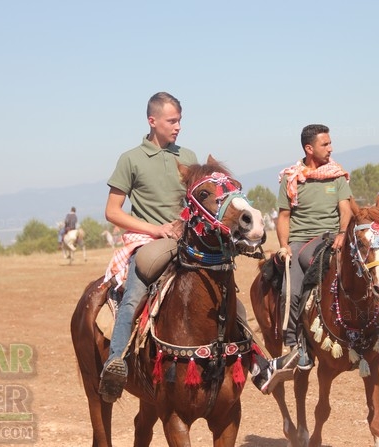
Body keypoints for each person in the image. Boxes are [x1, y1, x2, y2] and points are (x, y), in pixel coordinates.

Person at [98, 92, 295, 401]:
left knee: (227, 295)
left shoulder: (187, 155)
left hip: (190, 239)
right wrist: (156, 228)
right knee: (135, 290)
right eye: (171, 121)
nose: (177, 126)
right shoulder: (130, 159)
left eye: (180, 120)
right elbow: (112, 212)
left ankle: (260, 366)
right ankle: (115, 362)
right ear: (152, 121)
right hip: (150, 240)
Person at [274, 124, 379, 372]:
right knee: (289, 292)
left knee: (369, 268)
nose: (330, 148)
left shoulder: (336, 175)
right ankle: (297, 345)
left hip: (334, 238)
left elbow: (345, 208)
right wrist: (284, 246)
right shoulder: (291, 179)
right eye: (325, 144)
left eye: (330, 143)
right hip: (302, 242)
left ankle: (378, 329)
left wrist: (340, 233)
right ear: (309, 148)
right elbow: (283, 217)